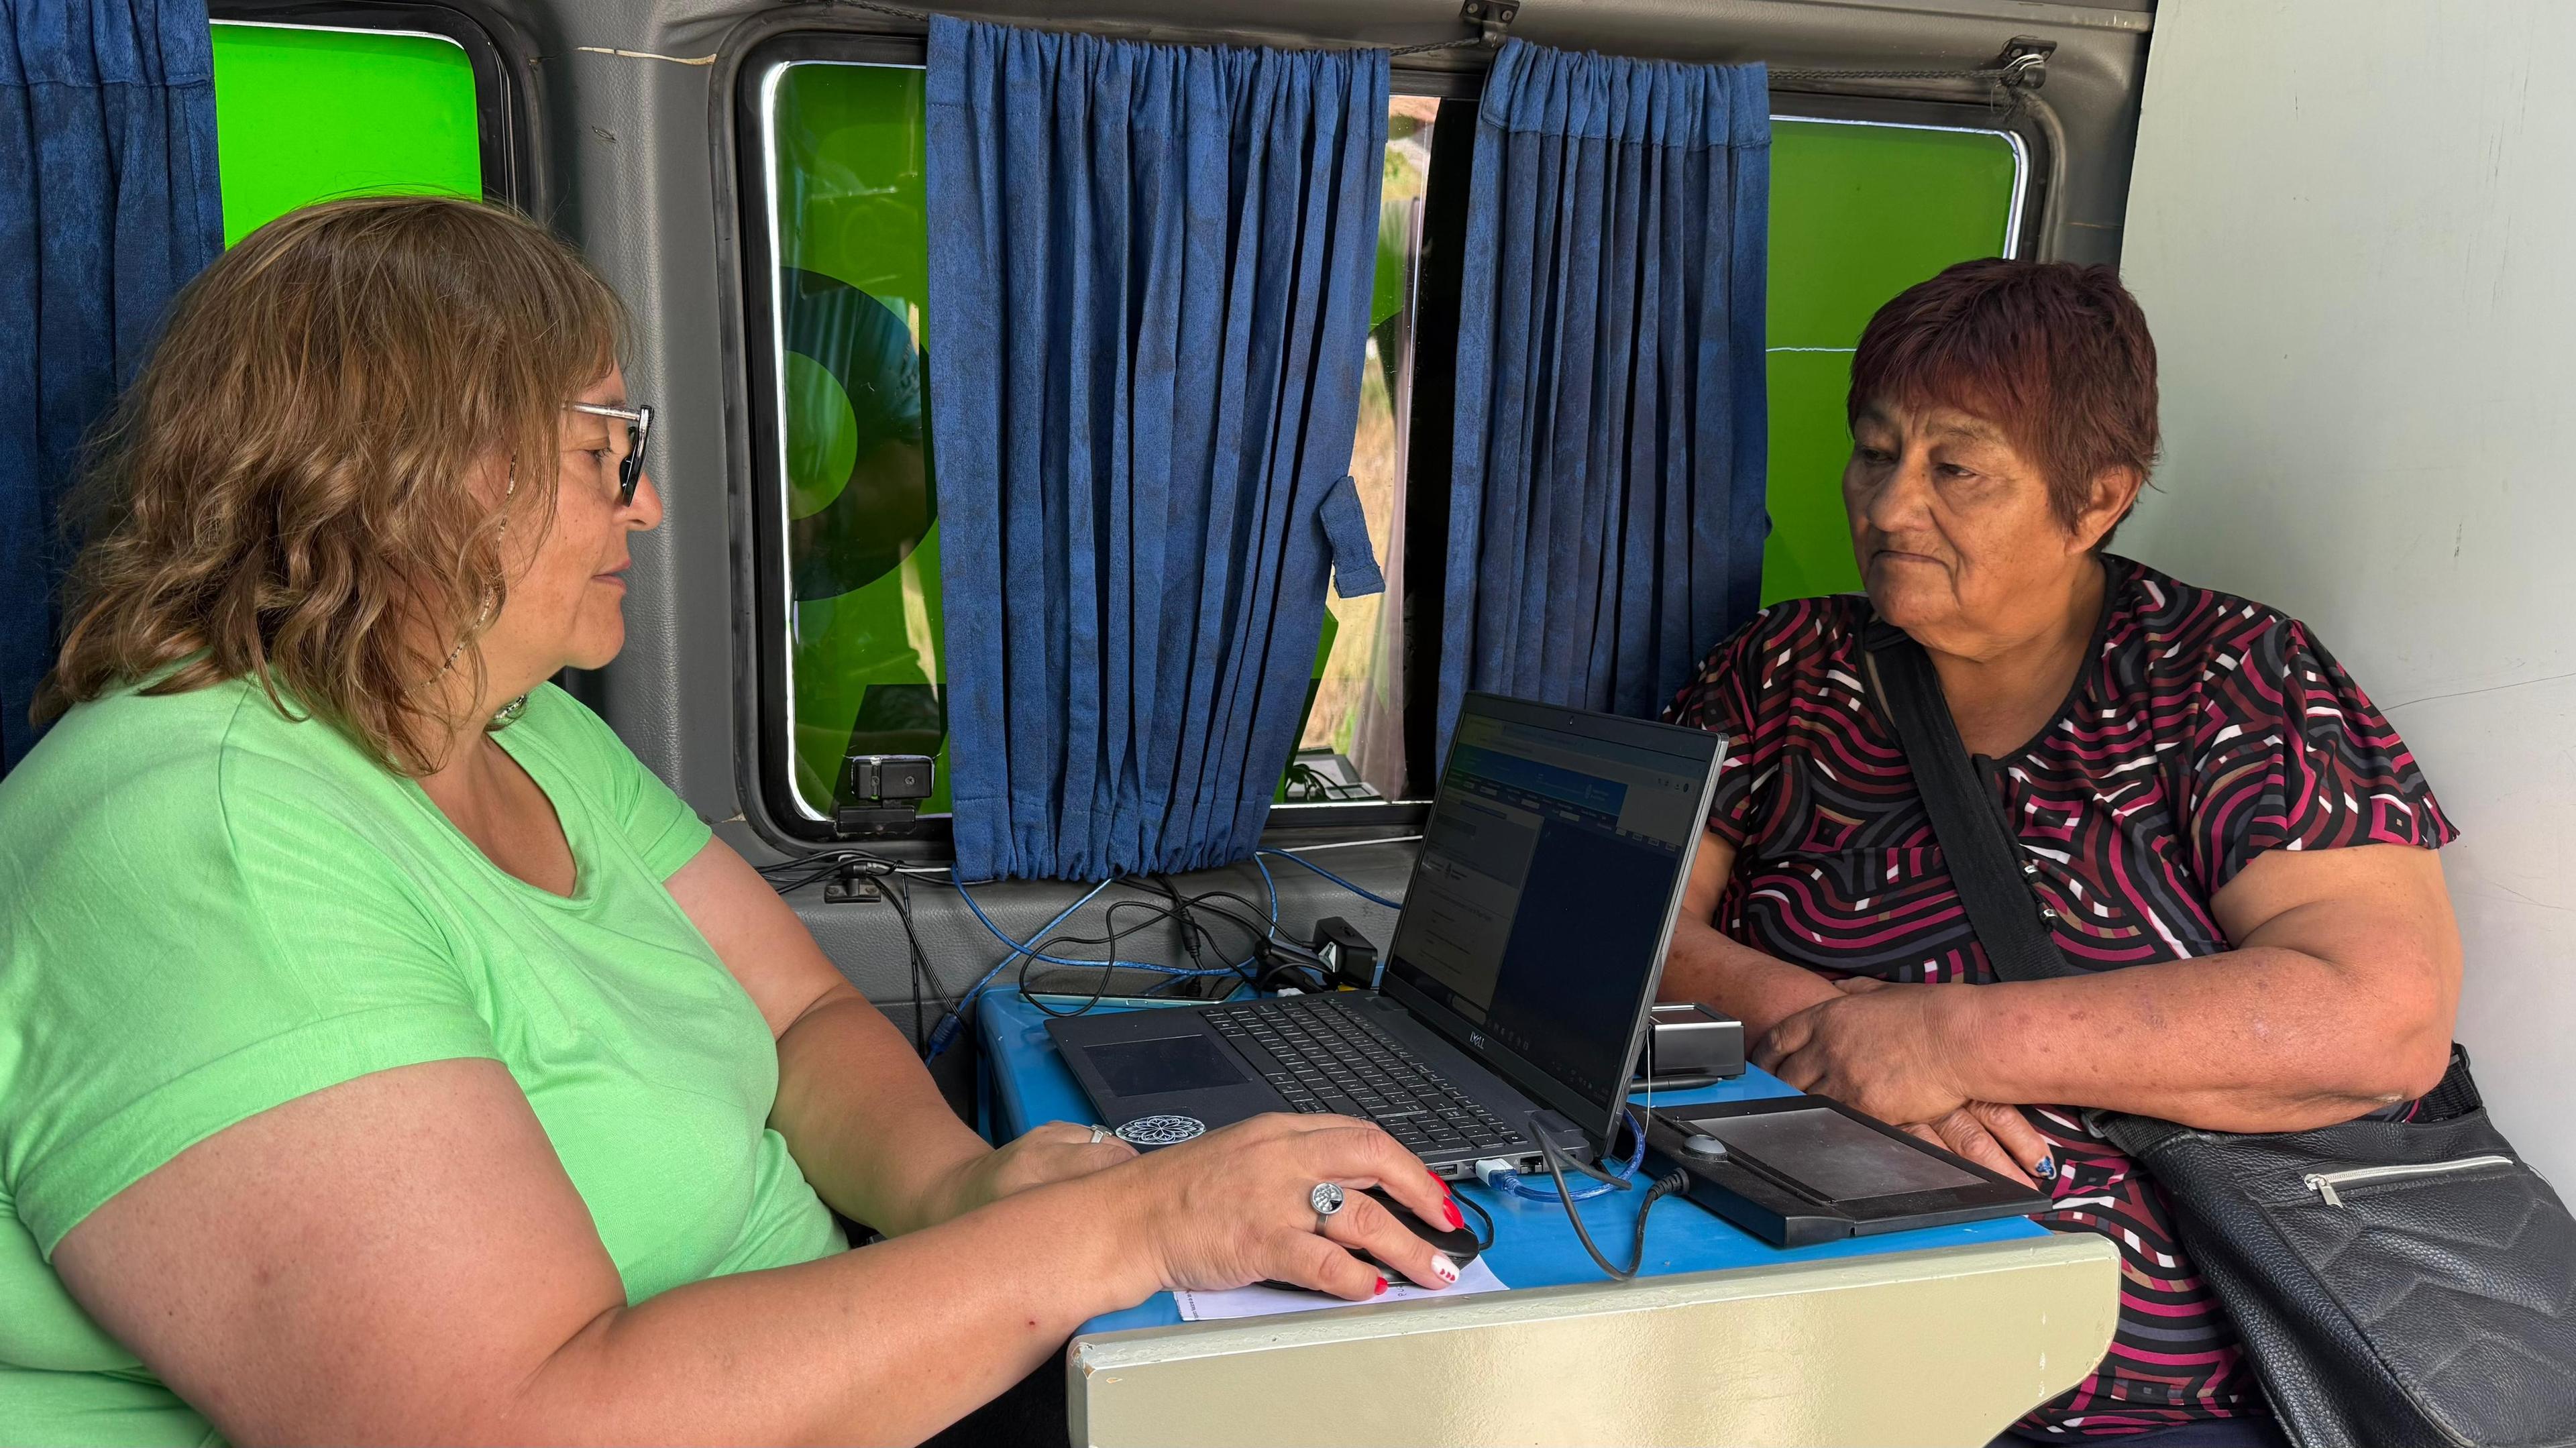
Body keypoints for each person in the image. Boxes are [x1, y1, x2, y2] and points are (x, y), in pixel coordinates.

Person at [0, 196, 1470, 1447]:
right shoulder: (209, 835)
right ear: (430, 472)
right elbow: (512, 1423)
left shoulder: (527, 732)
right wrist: (1129, 1227)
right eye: (604, 451)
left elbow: (802, 1013)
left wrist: (959, 1187)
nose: (641, 510)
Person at [1661, 259, 2462, 1445]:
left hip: (2135, 1385)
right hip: (1778, 1312)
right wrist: (1835, 1051)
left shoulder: (2230, 678)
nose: (1888, 506)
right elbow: (1634, 926)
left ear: (2096, 499)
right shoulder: (1781, 670)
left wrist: (1946, 1042)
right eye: (1875, 451)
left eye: (1956, 470)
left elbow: (2380, 1019)